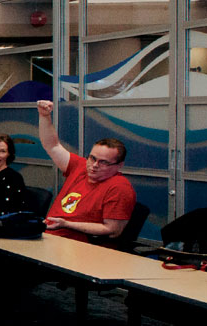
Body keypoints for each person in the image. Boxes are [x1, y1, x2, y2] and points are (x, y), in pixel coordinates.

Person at [36, 100, 137, 242]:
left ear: (119, 166)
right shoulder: (81, 166)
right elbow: (52, 146)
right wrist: (44, 116)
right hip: (49, 238)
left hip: (78, 247)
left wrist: (66, 224)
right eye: (92, 158)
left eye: (103, 162)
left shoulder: (119, 187)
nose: (94, 165)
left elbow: (113, 230)